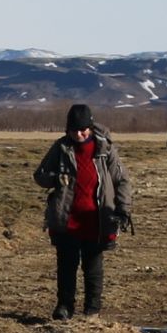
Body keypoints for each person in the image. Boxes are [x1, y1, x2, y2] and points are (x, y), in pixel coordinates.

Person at [34, 104, 133, 319]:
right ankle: (64, 307)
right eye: (73, 130)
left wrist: (123, 209)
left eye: (83, 130)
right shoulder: (61, 147)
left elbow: (122, 180)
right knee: (66, 266)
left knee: (93, 267)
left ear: (90, 127)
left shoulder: (105, 149)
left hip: (97, 219)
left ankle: (92, 311)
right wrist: (55, 179)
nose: (78, 134)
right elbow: (40, 175)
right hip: (66, 218)